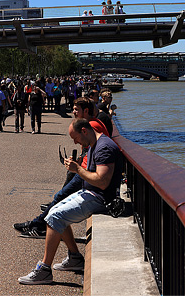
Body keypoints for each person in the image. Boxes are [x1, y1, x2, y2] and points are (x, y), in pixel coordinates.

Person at [16, 119, 121, 285]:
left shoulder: (104, 147)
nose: (75, 142)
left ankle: (44, 270)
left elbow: (102, 181)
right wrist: (77, 166)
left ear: (84, 131)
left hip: (100, 198)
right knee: (53, 213)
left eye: (75, 138)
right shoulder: (95, 143)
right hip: (91, 192)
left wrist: (77, 169)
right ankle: (75, 258)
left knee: (55, 217)